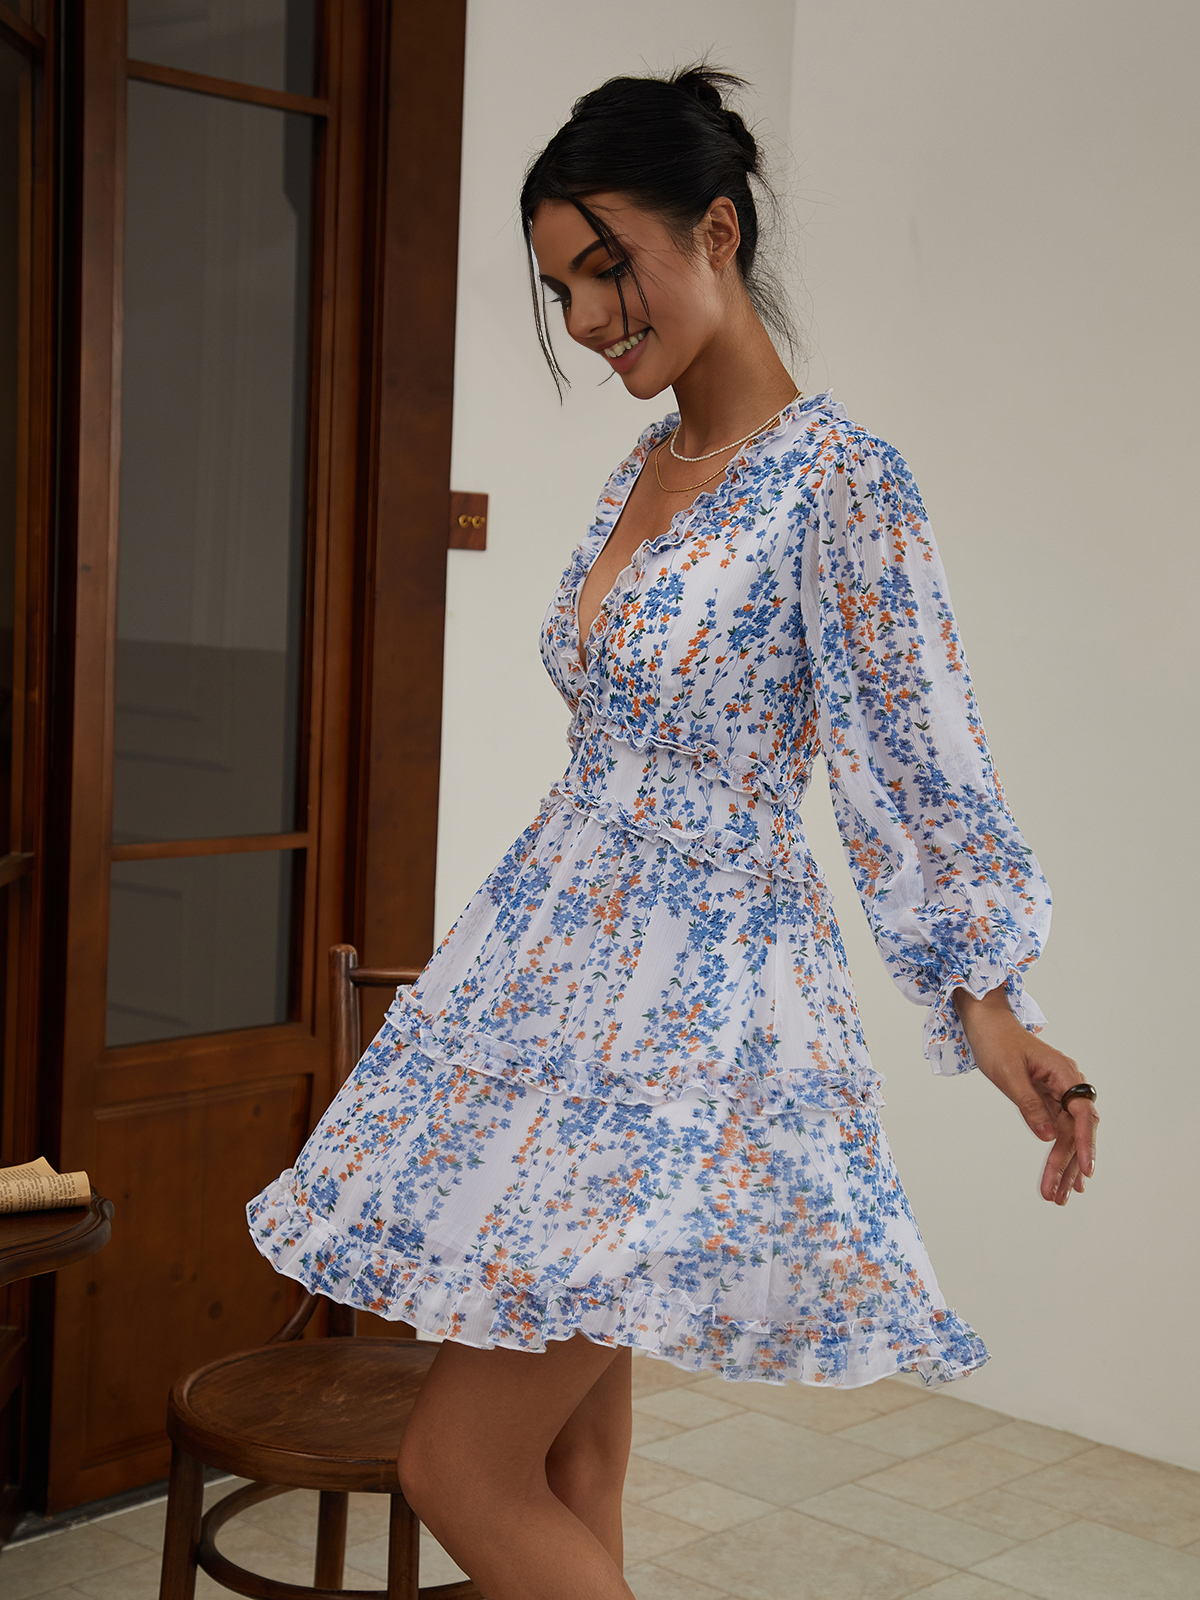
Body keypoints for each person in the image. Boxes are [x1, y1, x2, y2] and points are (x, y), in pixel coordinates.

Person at [247, 65, 1099, 1600]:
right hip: (556, 990)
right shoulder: (643, 468)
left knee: (456, 1466)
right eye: (561, 289)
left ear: (716, 232)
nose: (585, 320)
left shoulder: (840, 484)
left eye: (606, 268)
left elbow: (915, 762)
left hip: (684, 1022)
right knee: (570, 1466)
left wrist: (992, 1004)